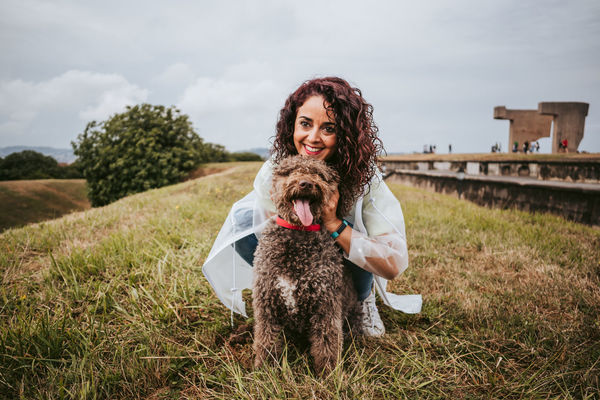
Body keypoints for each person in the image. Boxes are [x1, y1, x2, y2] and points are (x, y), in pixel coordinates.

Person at [202, 77, 421, 336]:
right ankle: (286, 298)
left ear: (345, 135)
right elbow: (274, 244)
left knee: (348, 230)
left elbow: (392, 263)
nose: (313, 138)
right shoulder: (274, 170)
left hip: (342, 258)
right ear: (291, 124)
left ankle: (363, 301)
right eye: (305, 124)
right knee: (244, 222)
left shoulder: (365, 179)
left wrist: (333, 224)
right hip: (298, 253)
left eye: (328, 128)